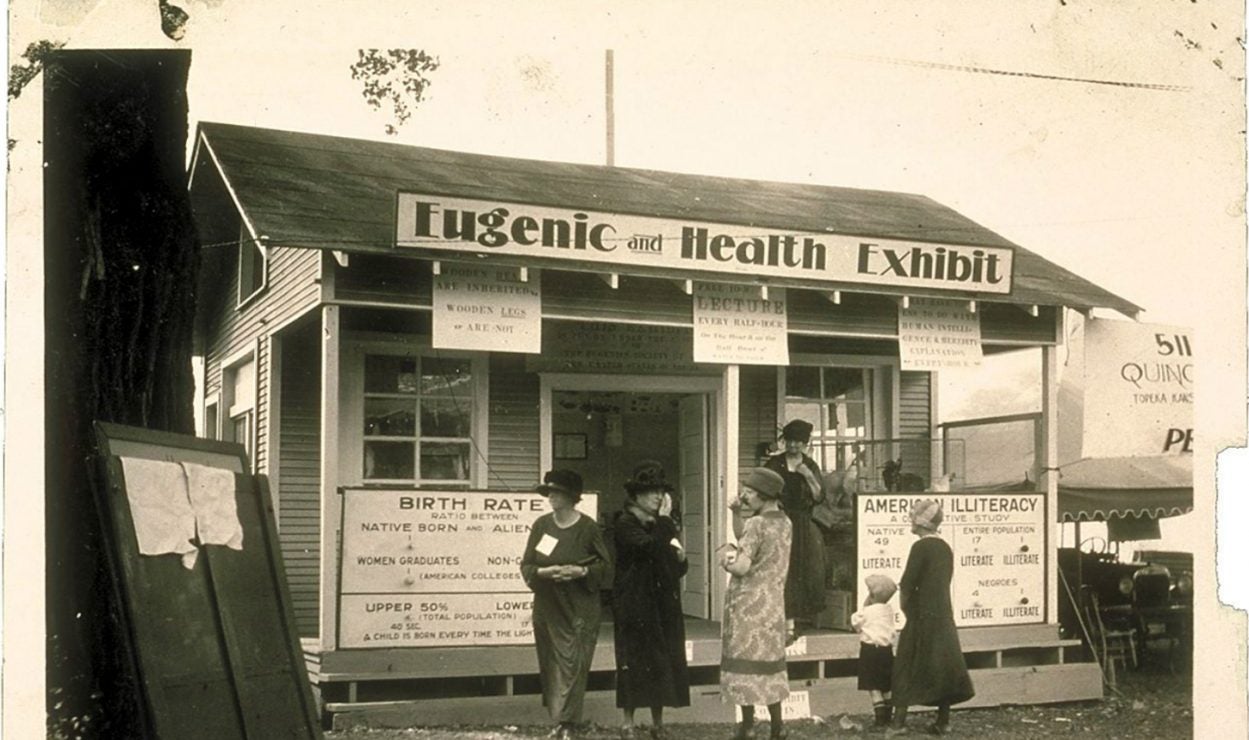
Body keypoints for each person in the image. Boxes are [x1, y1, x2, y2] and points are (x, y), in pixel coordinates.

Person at [520, 469, 613, 740]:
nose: (551, 497)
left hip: (578, 608)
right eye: (549, 492)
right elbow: (527, 564)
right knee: (551, 660)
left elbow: (606, 567)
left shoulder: (588, 528)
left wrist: (580, 572)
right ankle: (558, 721)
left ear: (571, 497)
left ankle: (570, 723)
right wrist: (542, 573)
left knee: (574, 662)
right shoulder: (541, 525)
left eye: (557, 492)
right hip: (548, 605)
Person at [612, 460, 690, 739]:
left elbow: (676, 565)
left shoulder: (660, 524)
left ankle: (658, 721)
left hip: (661, 601)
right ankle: (628, 722)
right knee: (634, 658)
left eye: (660, 491)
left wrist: (680, 558)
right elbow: (652, 548)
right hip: (635, 601)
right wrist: (667, 525)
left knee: (661, 658)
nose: (658, 497)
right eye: (651, 492)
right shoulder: (625, 523)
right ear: (635, 496)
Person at [887, 499, 974, 737]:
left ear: (921, 522)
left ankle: (898, 724)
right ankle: (943, 722)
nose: (910, 522)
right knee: (943, 665)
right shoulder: (945, 547)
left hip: (921, 615)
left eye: (913, 518)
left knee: (906, 664)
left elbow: (906, 586)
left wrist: (907, 611)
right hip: (943, 615)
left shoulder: (920, 548)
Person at [720, 468, 792, 740]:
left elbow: (741, 564)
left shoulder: (757, 524)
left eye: (749, 492)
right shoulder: (785, 522)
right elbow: (748, 542)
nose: (744, 496)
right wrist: (736, 514)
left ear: (763, 494)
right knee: (770, 665)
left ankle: (748, 726)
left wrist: (725, 558)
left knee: (744, 666)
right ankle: (778, 727)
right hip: (772, 603)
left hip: (748, 604)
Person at [765, 419, 827, 641]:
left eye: (798, 443)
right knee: (780, 569)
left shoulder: (810, 466)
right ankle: (780, 620)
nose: (793, 446)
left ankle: (798, 620)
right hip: (779, 520)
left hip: (802, 522)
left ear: (805, 444)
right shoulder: (774, 464)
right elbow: (763, 489)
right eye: (790, 441)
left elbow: (819, 496)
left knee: (805, 569)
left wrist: (806, 475)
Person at [851, 574, 906, 728]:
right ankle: (888, 717)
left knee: (873, 687)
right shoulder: (888, 610)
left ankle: (880, 720)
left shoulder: (867, 612)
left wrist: (865, 605)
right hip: (887, 651)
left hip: (870, 652)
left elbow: (855, 622)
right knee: (886, 687)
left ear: (872, 594)